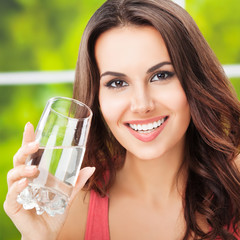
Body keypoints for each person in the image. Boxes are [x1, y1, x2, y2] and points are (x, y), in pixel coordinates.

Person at [4, 0, 240, 239]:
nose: (142, 105)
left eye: (161, 75)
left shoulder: (236, 183)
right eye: (117, 83)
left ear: (194, 80)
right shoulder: (70, 210)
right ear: (97, 97)